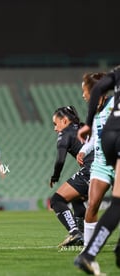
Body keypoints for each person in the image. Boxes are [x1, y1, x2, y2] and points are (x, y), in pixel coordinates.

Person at [75, 65, 120, 275]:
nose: (84, 96)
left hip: (112, 148)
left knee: (116, 206)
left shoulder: (113, 102)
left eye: (85, 92)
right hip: (103, 161)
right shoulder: (101, 107)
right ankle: (88, 251)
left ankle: (89, 254)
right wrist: (85, 149)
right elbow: (93, 137)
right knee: (95, 204)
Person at [49, 106, 93, 248]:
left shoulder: (65, 135)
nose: (55, 129)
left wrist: (55, 176)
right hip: (105, 169)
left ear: (64, 120)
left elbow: (60, 160)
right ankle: (82, 232)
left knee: (56, 200)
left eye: (56, 124)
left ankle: (75, 232)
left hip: (91, 170)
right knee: (76, 198)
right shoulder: (84, 127)